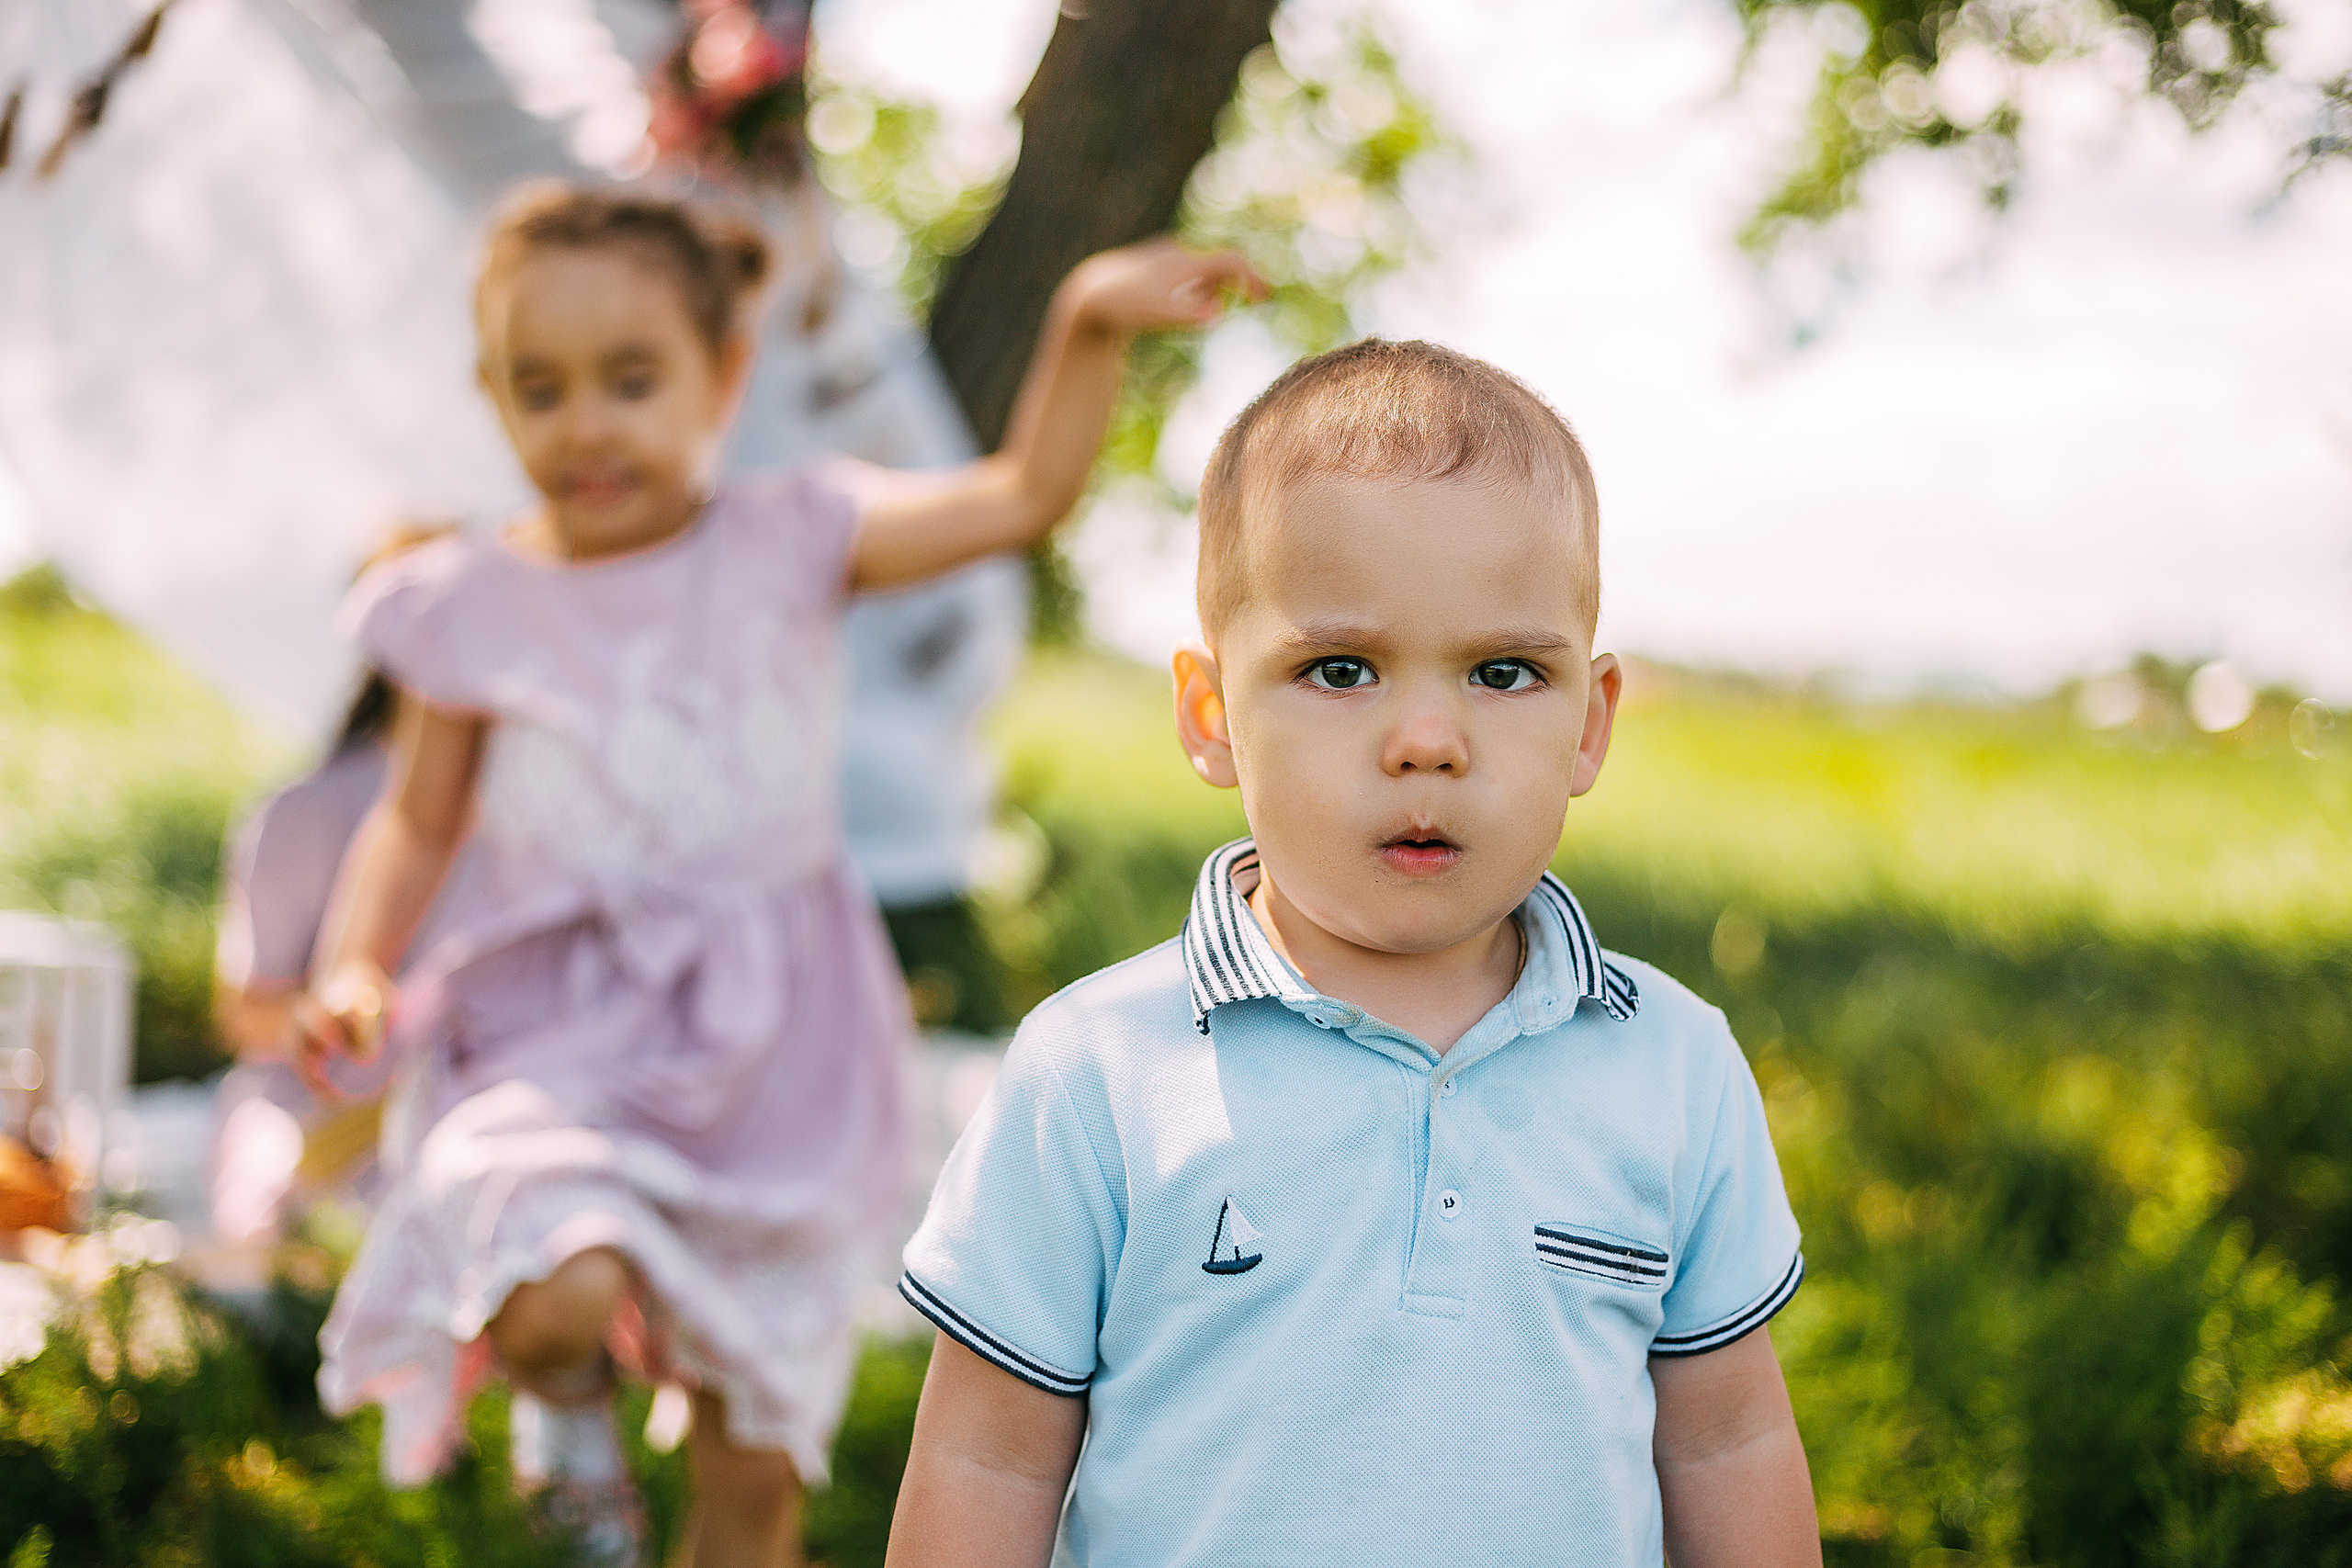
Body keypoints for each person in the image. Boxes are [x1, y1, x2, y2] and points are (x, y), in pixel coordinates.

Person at [295, 182, 1263, 1568]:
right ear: (491, 394)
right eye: (541, 387)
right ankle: (569, 1436)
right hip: (560, 1023)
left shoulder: (794, 534)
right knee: (536, 1257)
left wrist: (1085, 318)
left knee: (754, 1483)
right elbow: (415, 817)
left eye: (633, 380)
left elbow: (1020, 495)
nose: (588, 424)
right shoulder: (473, 599)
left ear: (725, 374)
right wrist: (353, 961)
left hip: (776, 1049)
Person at [888, 341, 1821, 1567]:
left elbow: (1725, 1440)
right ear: (1213, 713)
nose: (1427, 740)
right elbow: (986, 1453)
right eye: (1341, 668)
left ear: (1589, 723)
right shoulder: (1101, 1067)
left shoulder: (1671, 1062)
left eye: (1503, 671)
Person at [208, 525, 468, 1270]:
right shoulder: (308, 814)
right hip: (321, 1120)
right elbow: (247, 1010)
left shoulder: (540, 806)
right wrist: (335, 1023)